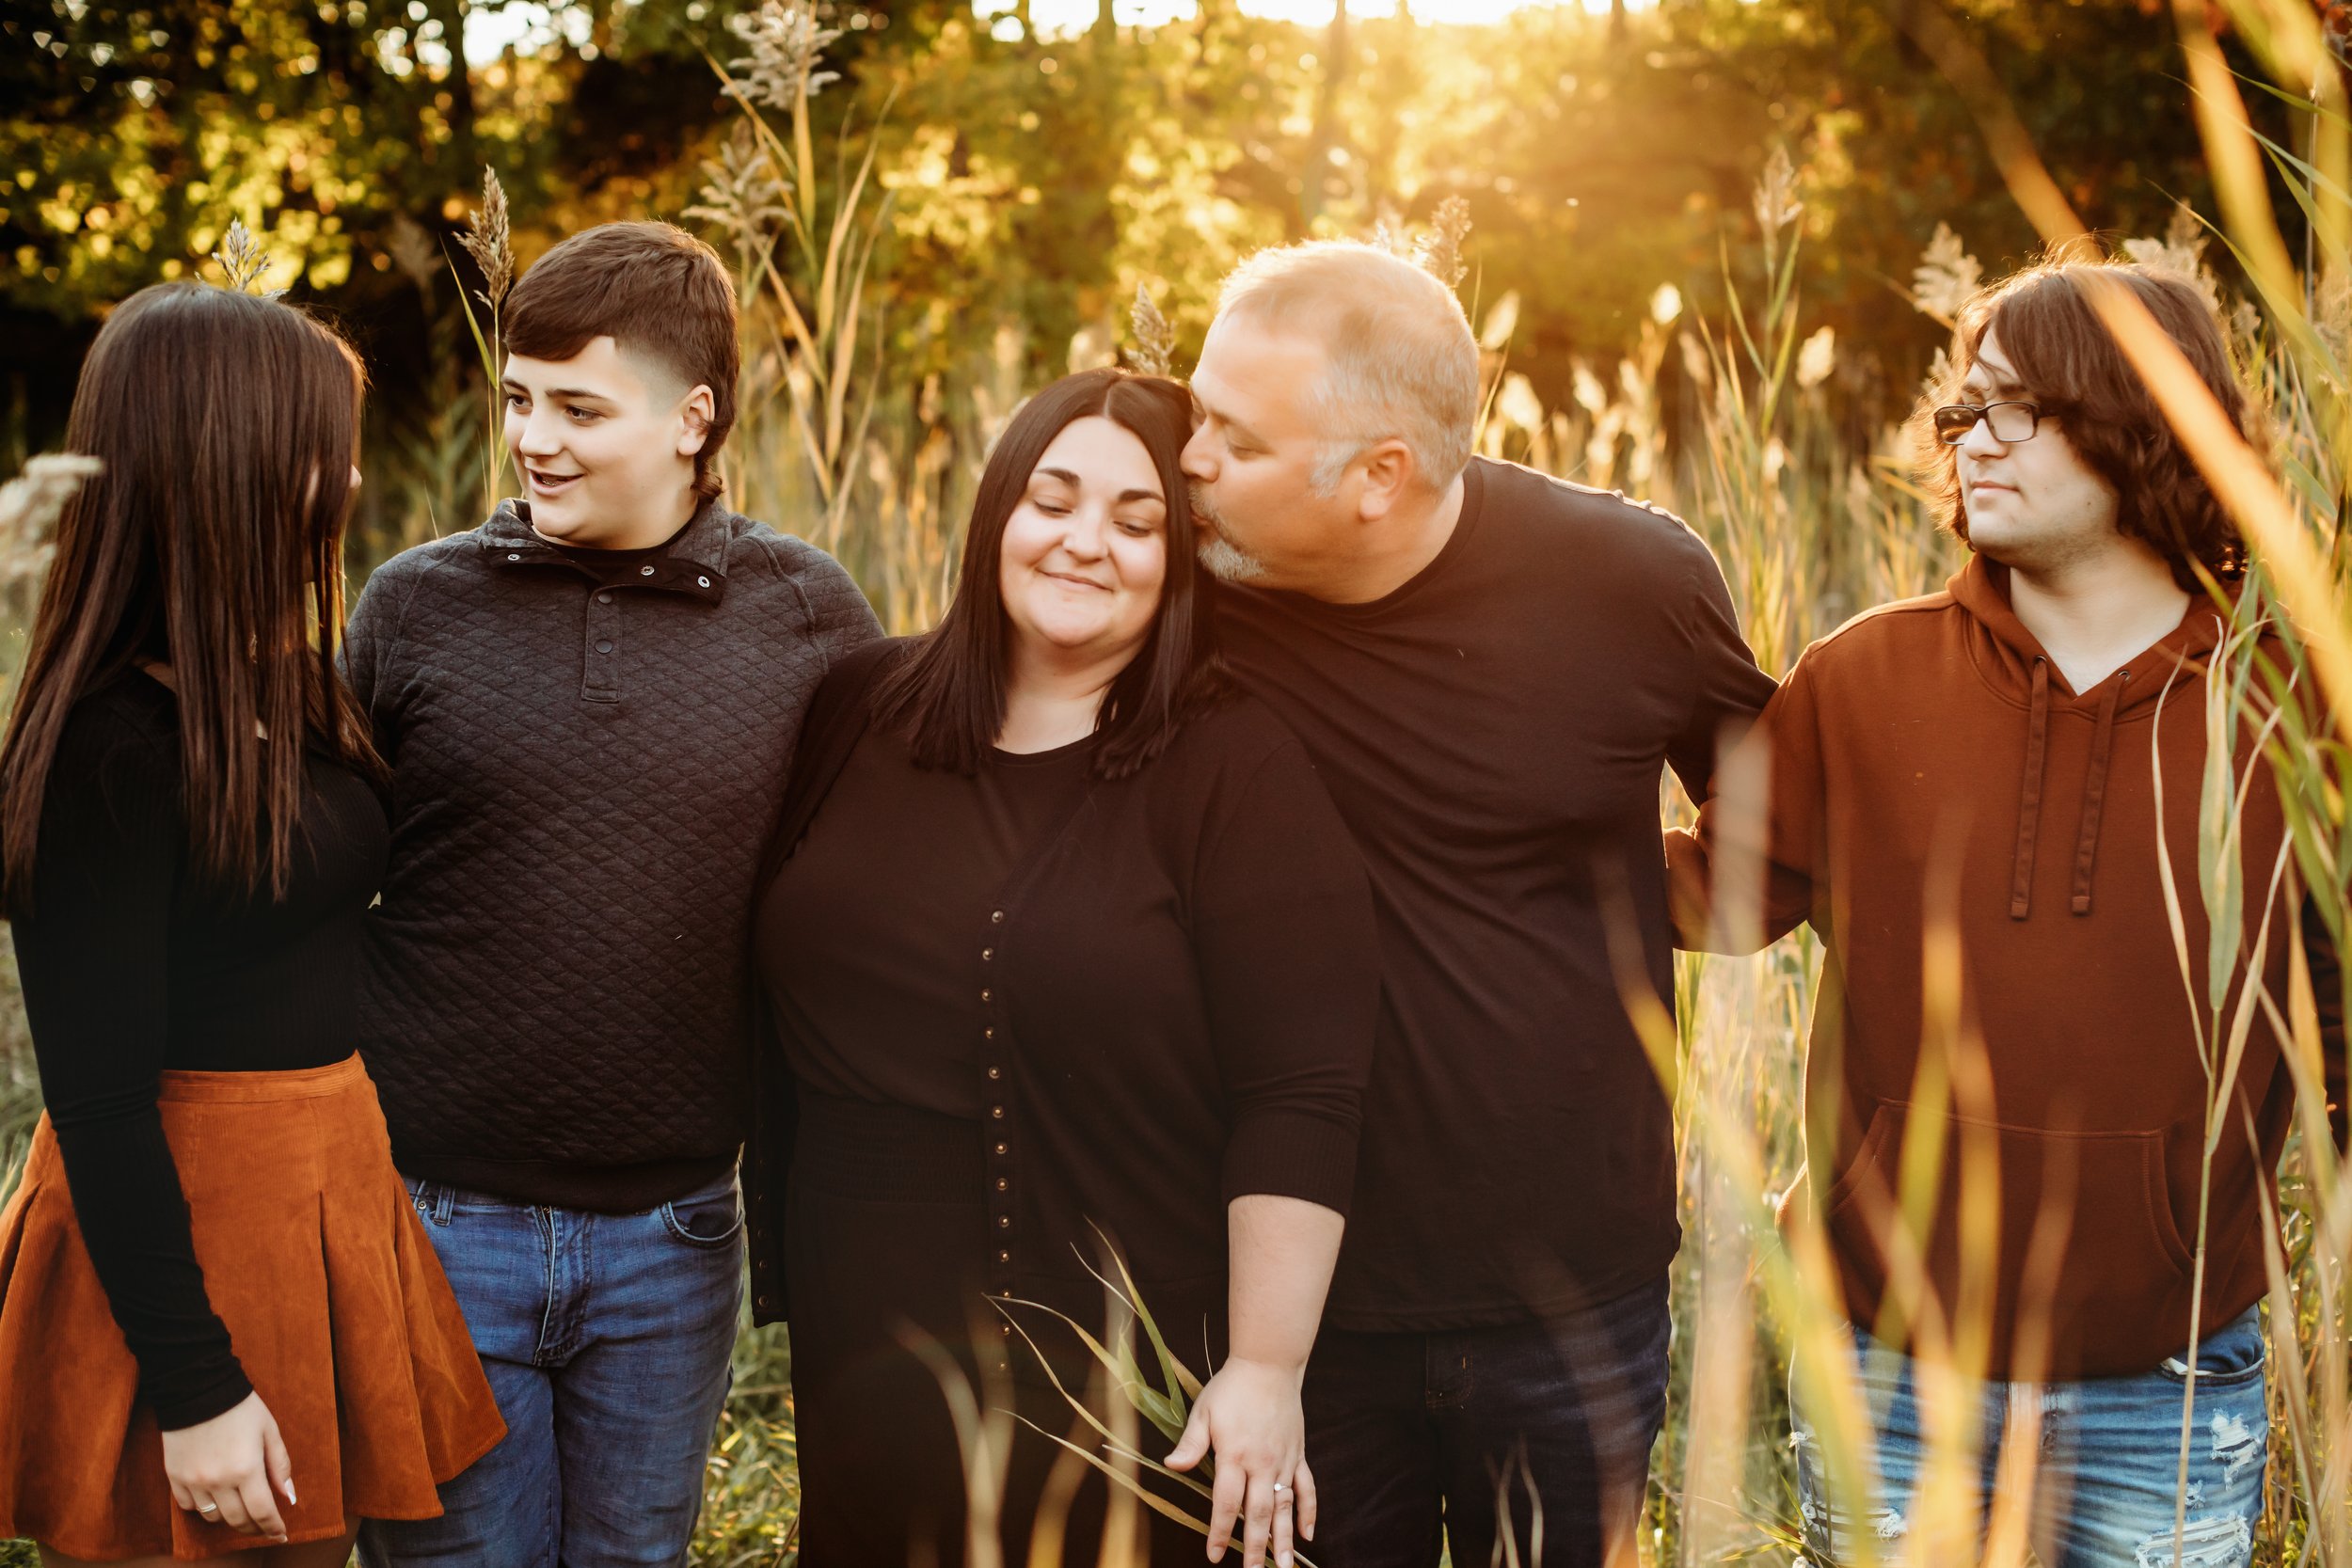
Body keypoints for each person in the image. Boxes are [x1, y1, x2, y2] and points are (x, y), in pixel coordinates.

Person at [1667, 258, 2350, 1566]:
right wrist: (1471, 840)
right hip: (1892, 1366)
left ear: (2140, 420)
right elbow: (1717, 889)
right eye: (1961, 413)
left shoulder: (2295, 704)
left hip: (2170, 1373)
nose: (1970, 440)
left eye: (2014, 409)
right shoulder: (1864, 674)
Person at [1179, 240, 1777, 1568]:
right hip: (1281, 1301)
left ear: (1380, 475)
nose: (1191, 457)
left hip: (1571, 1298)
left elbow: (1780, 833)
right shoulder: (1181, 590)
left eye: (1235, 433)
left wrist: (1630, 900)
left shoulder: (1630, 582)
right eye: (1194, 408)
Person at [745, 366, 1380, 1568]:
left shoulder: (1232, 767)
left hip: (1113, 1376)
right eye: (1053, 499)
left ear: (1180, 560)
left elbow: (1301, 1088)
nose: (1086, 543)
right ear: (998, 511)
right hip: (863, 1353)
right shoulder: (856, 705)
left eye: (1138, 523)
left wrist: (1264, 1366)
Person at [345, 221, 882, 1568]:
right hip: (434, 1219)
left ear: (693, 416)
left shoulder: (810, 616)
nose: (535, 437)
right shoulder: (415, 606)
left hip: (679, 1229)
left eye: (581, 407)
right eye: (519, 398)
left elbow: (883, 881)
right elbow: (316, 872)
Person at [0, 281, 504, 1565]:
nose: (342, 477)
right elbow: (100, 1100)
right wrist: (198, 1386)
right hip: (190, 1239)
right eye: (320, 447)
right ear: (227, 462)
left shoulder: (285, 679)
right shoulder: (105, 751)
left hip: (327, 1191)